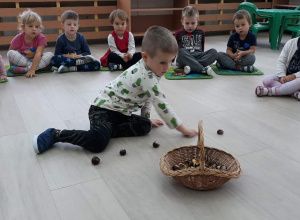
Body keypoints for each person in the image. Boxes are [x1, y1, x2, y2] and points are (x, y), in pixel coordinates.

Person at [32, 26, 198, 154]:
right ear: (146, 57)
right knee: (98, 143)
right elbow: (162, 105)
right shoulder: (146, 75)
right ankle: (56, 134)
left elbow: (148, 98)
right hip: (102, 110)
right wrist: (183, 129)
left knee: (146, 127)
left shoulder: (154, 69)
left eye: (171, 61)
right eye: (163, 62)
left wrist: (146, 118)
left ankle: (108, 129)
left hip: (121, 113)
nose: (168, 67)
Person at [7, 9, 54, 78]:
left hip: (37, 59)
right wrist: (11, 66)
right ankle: (38, 68)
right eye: (30, 26)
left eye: (37, 26)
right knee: (10, 53)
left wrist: (32, 69)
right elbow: (11, 50)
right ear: (23, 27)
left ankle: (25, 69)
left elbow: (38, 53)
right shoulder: (18, 38)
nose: (34, 29)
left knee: (50, 55)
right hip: (23, 60)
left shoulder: (41, 38)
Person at [174, 6, 218, 75]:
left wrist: (202, 56)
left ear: (197, 22)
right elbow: (174, 48)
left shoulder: (201, 32)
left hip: (198, 56)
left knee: (214, 52)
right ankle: (201, 69)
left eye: (193, 23)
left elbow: (202, 47)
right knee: (181, 51)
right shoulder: (178, 33)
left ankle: (191, 67)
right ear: (182, 22)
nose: (190, 26)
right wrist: (171, 61)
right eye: (187, 23)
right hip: (185, 59)